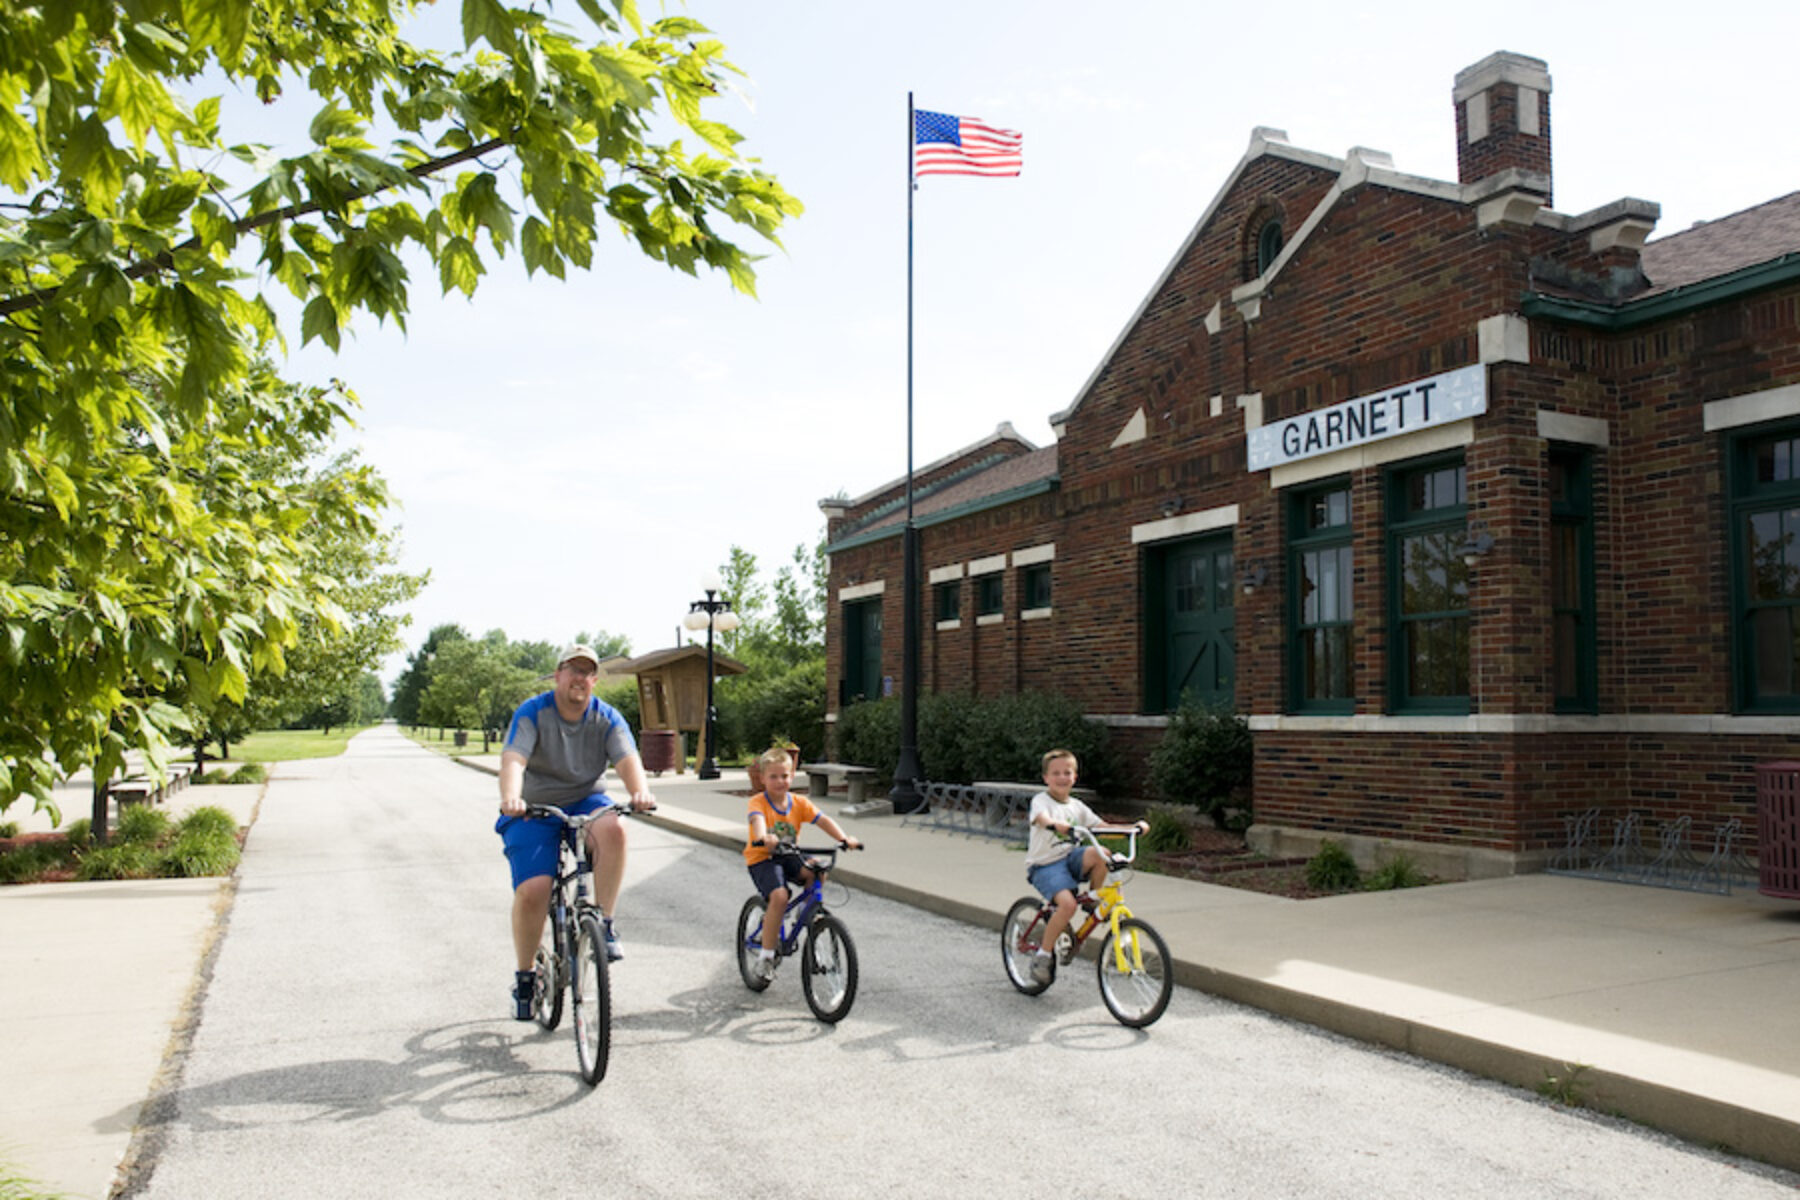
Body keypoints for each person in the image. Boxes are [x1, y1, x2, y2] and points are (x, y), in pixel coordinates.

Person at [497, 643, 656, 1020]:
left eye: (587, 672)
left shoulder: (606, 717)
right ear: (558, 675)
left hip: (586, 799)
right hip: (534, 807)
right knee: (534, 890)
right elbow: (514, 759)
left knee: (614, 829)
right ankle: (525, 976)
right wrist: (511, 797)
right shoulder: (534, 712)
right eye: (573, 670)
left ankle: (605, 922)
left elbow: (627, 757)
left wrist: (640, 791)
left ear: (594, 681)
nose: (580, 678)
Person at [1022, 748, 1146, 986]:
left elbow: (1102, 827)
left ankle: (1091, 898)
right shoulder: (1041, 801)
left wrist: (1133, 827)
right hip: (1045, 866)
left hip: (1069, 859)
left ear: (1075, 777)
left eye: (1067, 772)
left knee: (1101, 854)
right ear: (1046, 778)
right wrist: (1057, 826)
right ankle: (1043, 955)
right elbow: (1042, 819)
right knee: (1067, 906)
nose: (1061, 777)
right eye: (1055, 773)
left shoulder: (1077, 806)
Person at [743, 747, 860, 982]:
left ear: (792, 776)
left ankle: (805, 910)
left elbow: (823, 820)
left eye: (784, 776)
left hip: (789, 854)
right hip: (762, 858)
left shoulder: (798, 802)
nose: (780, 781)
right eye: (773, 776)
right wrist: (764, 836)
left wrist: (843, 838)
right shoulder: (758, 802)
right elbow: (757, 822)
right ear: (763, 778)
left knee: (817, 869)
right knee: (779, 896)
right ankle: (765, 957)